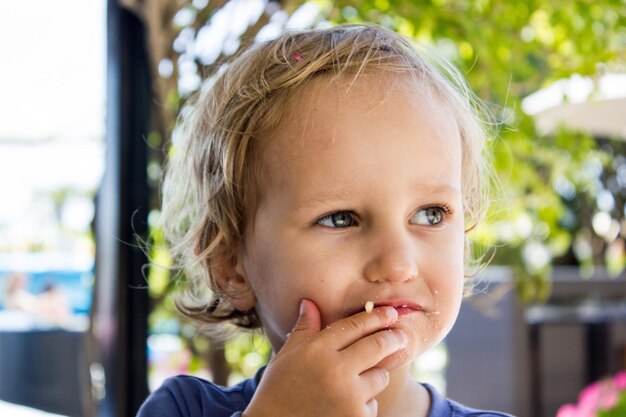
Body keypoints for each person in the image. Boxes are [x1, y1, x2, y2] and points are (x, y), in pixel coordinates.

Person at [138, 24, 512, 417]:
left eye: (430, 214)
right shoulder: (182, 410)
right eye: (340, 219)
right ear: (231, 265)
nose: (398, 264)